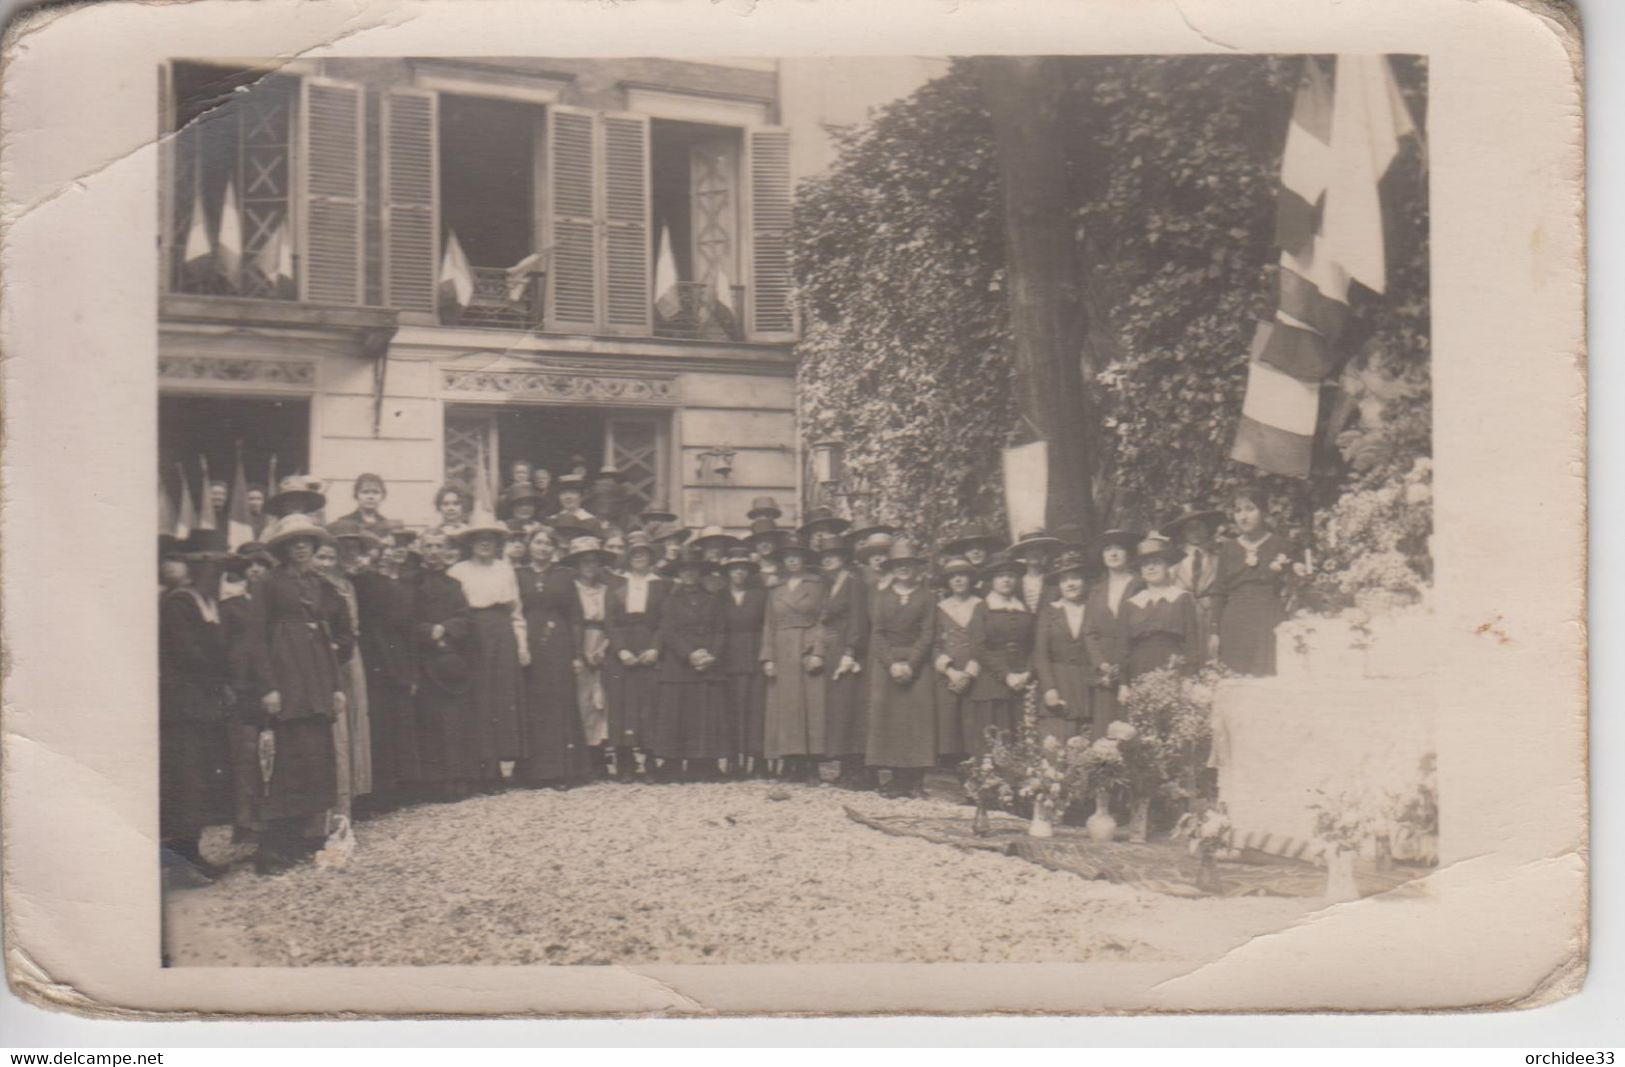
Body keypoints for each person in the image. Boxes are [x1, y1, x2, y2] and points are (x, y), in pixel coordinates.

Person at [254, 514, 345, 874]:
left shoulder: (321, 585)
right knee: (287, 762)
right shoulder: (269, 584)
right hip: (286, 679)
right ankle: (272, 847)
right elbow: (256, 639)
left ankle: (303, 838)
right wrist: (268, 686)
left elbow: (329, 636)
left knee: (314, 758)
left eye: (307, 540)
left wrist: (336, 686)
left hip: (317, 680)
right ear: (283, 549)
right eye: (294, 542)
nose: (302, 546)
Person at [158, 552, 235, 875]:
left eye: (217, 572)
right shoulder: (180, 602)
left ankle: (189, 852)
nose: (212, 577)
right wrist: (222, 672)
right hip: (184, 702)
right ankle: (182, 853)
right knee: (187, 775)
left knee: (200, 776)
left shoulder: (207, 603)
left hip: (202, 700)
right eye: (207, 571)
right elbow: (188, 652)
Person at [447, 514, 530, 786]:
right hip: (474, 634)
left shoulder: (505, 569)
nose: (485, 544)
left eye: (490, 539)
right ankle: (483, 766)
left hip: (502, 632)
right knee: (480, 697)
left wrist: (521, 644)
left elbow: (516, 611)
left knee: (503, 695)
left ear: (497, 543)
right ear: (470, 543)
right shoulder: (458, 571)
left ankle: (505, 764)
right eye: (479, 539)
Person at [515, 527, 593, 789]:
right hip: (528, 643)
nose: (543, 548)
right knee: (532, 704)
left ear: (554, 549)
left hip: (558, 644)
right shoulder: (518, 575)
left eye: (548, 543)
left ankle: (563, 771)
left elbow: (575, 616)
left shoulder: (563, 576)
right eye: (538, 542)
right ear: (529, 546)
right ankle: (533, 771)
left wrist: (577, 654)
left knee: (559, 705)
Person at [351, 520, 419, 810]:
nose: (390, 552)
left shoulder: (404, 580)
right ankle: (377, 791)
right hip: (376, 656)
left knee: (399, 722)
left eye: (396, 547)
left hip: (400, 653)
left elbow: (407, 624)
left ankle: (399, 787)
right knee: (378, 723)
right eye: (385, 547)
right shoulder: (365, 581)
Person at [864, 539, 937, 797]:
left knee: (916, 720)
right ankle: (896, 779)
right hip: (888, 664)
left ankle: (916, 780)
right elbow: (877, 633)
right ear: (892, 568)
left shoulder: (927, 597)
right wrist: (892, 663)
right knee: (890, 719)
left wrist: (912, 663)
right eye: (899, 565)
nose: (904, 569)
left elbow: (928, 633)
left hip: (918, 664)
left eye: (908, 564)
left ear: (916, 568)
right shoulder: (882, 597)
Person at [410, 529, 478, 802]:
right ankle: (433, 783)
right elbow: (405, 620)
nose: (434, 551)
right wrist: (428, 632)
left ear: (447, 550)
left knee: (454, 722)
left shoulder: (454, 585)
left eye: (439, 546)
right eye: (429, 546)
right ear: (422, 550)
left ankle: (458, 780)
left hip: (451, 659)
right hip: (424, 660)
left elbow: (465, 618)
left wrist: (445, 630)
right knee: (430, 722)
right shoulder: (411, 583)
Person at [652, 547, 730, 780]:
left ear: (701, 573)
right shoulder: (670, 600)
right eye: (684, 570)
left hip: (707, 663)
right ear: (678, 573)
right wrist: (689, 655)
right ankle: (672, 763)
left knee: (704, 713)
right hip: (679, 663)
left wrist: (711, 655)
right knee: (676, 713)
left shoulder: (713, 599)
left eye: (693, 570)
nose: (689, 574)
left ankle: (703, 763)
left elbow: (721, 630)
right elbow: (668, 631)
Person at [759, 536, 827, 782]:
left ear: (804, 559)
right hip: (781, 648)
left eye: (797, 557)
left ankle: (811, 765)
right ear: (782, 561)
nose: (792, 561)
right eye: (788, 557)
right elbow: (769, 624)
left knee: (811, 706)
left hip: (806, 647)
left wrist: (818, 650)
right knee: (785, 707)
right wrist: (768, 657)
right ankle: (789, 761)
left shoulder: (817, 585)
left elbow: (823, 620)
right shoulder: (775, 589)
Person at [1212, 487, 1294, 676]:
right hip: (1235, 622)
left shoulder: (1280, 545)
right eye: (1238, 510)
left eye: (1250, 509)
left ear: (1263, 512)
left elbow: (1292, 587)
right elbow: (1218, 592)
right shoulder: (1228, 549)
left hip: (1269, 619)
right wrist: (1214, 630)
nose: (1243, 516)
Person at [1033, 550, 1113, 743]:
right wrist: (1049, 689)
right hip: (1059, 682)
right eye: (1064, 579)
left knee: (1088, 744)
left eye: (1075, 578)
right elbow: (1041, 654)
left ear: (1084, 581)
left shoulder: (1095, 609)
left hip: (1087, 685)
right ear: (1059, 585)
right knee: (1057, 746)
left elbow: (1105, 644)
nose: (1070, 584)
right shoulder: (1049, 612)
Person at [604, 531, 666, 780]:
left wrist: (655, 648)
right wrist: (621, 649)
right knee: (622, 704)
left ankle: (651, 760)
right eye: (634, 553)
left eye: (643, 553)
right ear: (628, 557)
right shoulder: (617, 584)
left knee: (649, 703)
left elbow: (665, 620)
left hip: (649, 644)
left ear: (650, 557)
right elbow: (610, 621)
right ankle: (625, 762)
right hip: (623, 648)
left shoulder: (661, 584)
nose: (639, 557)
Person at [313, 534, 367, 816]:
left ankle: (344, 801)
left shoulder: (339, 590)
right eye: (320, 557)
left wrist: (335, 646)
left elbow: (349, 629)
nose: (324, 564)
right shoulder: (303, 587)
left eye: (330, 558)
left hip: (337, 662)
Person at [811, 530, 869, 787]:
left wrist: (851, 652)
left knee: (852, 709)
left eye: (833, 555)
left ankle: (859, 769)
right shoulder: (827, 585)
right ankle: (845, 766)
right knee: (838, 709)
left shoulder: (853, 582)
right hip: (832, 649)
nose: (828, 560)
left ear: (843, 558)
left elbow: (858, 619)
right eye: (824, 556)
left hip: (848, 650)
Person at [966, 554, 1034, 757]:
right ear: (992, 581)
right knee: (992, 738)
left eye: (1011, 576)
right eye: (1000, 576)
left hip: (1021, 681)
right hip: (991, 682)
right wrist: (1006, 675)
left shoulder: (1024, 608)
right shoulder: (982, 608)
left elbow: (1035, 645)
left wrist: (1027, 674)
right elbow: (978, 647)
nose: (1006, 580)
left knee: (1019, 737)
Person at [1084, 528, 1143, 727]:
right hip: (1105, 674)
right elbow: (1089, 633)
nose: (1113, 553)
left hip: (1134, 665)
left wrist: (1125, 664)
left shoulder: (1140, 584)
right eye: (1108, 549)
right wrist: (1101, 664)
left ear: (1128, 553)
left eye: (1119, 548)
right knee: (1104, 729)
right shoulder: (1096, 590)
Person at [1121, 535, 1202, 679]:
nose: (1151, 567)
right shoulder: (1132, 603)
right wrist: (1123, 683)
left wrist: (1190, 677)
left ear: (1167, 566)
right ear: (1141, 570)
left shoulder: (1181, 598)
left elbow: (1192, 642)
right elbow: (1124, 647)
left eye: (1156, 562)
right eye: (1145, 564)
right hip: (1139, 668)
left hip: (1173, 665)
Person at [718, 550, 769, 777]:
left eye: (743, 568)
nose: (738, 572)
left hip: (753, 656)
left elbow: (768, 625)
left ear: (748, 572)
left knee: (756, 709)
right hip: (727, 659)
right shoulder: (719, 596)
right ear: (728, 572)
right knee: (731, 710)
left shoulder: (760, 595)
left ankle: (757, 759)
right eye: (734, 568)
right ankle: (733, 759)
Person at [564, 534, 614, 763]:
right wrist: (579, 651)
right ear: (576, 565)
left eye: (594, 561)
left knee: (602, 695)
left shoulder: (606, 590)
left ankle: (600, 749)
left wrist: (605, 646)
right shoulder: (571, 589)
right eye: (584, 562)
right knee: (582, 696)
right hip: (579, 641)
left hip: (603, 640)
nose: (589, 567)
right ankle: (584, 751)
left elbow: (613, 621)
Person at [1165, 504, 1226, 664]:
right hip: (1183, 619)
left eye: (1200, 526)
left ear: (1208, 529)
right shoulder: (1173, 562)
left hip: (1211, 618)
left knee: (1212, 661)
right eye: (1190, 528)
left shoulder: (1219, 559)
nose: (1196, 531)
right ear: (1182, 532)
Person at [1009, 528, 1064, 612]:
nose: (1034, 553)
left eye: (1038, 549)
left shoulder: (1053, 582)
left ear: (1044, 552)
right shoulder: (1015, 584)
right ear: (1024, 553)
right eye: (1030, 549)